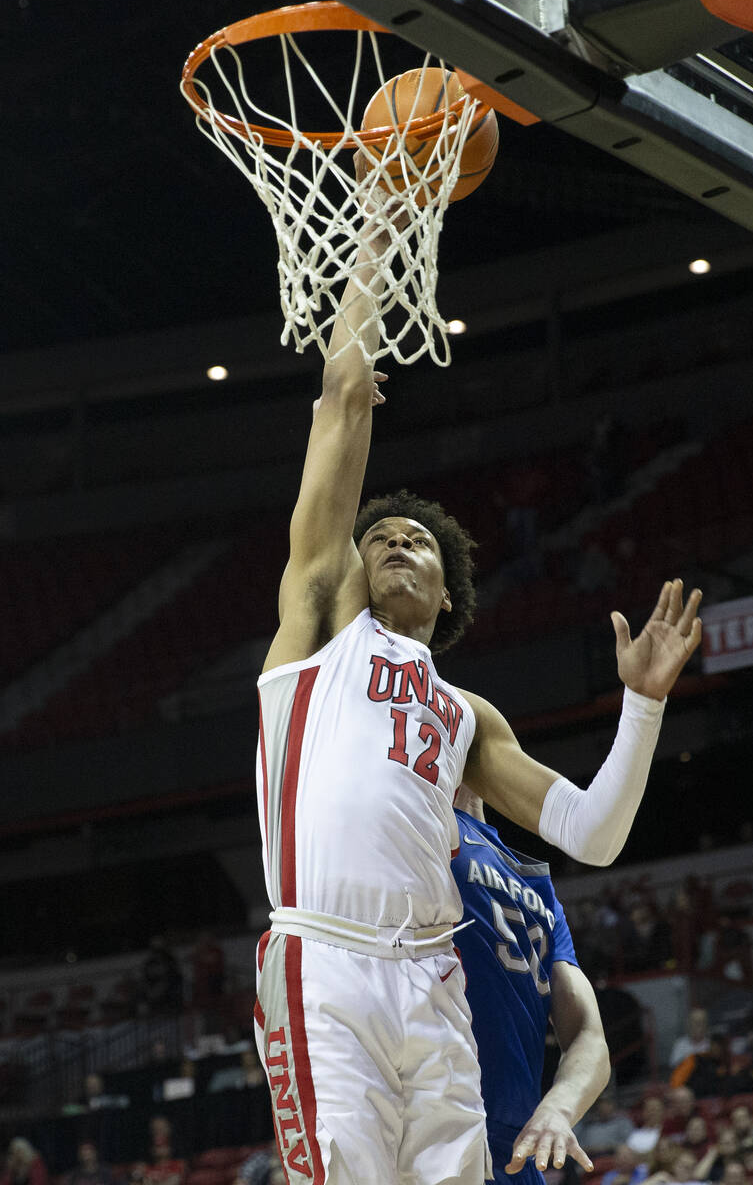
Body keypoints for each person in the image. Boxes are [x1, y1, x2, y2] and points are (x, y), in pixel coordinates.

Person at [254, 200, 703, 1184]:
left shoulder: (467, 717)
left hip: (435, 976)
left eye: (413, 538)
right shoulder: (321, 631)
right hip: (326, 955)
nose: (394, 544)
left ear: (448, 587)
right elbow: (338, 400)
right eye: (378, 540)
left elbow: (587, 834)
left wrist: (641, 706)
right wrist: (376, 232)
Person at [451, 784, 610, 1180]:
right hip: (447, 1129)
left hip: (506, 1141)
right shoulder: (534, 882)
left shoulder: (432, 832)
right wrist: (558, 1109)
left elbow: (588, 1036)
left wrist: (558, 1108)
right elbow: (588, 1034)